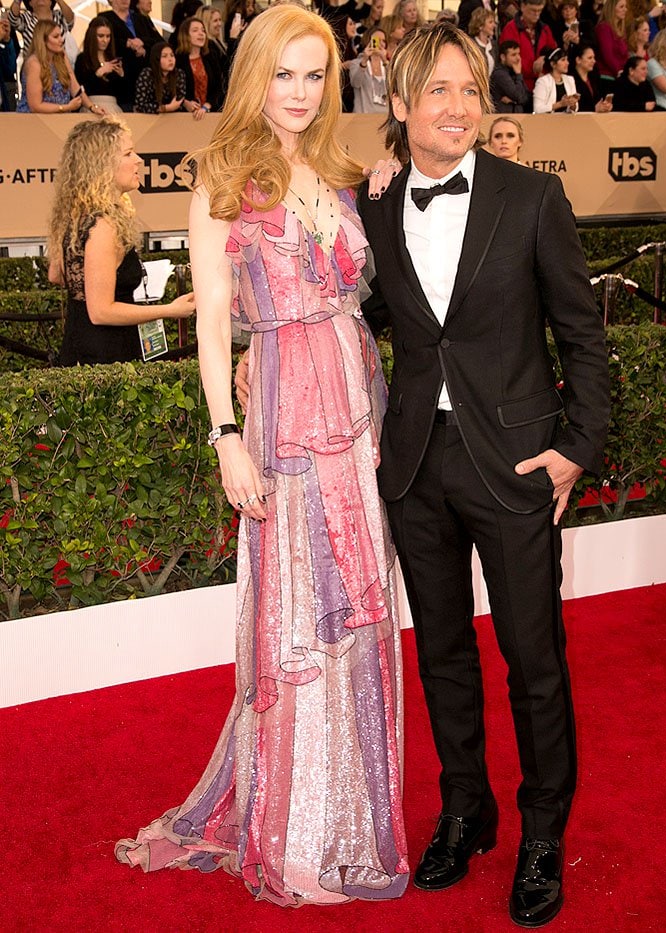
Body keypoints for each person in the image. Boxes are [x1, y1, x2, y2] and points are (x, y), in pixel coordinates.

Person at [115, 5, 408, 906]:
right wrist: (223, 434)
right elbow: (210, 318)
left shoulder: (338, 167)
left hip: (360, 411)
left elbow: (372, 285)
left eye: (315, 75)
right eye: (284, 73)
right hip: (283, 415)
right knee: (296, 617)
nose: (300, 92)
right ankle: (296, 827)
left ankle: (356, 818)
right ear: (253, 75)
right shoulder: (223, 175)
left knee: (361, 615)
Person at [357, 21, 609, 927]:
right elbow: (359, 307)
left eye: (472, 91)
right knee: (441, 653)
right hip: (415, 463)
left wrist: (579, 444)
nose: (461, 108)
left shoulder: (531, 198)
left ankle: (544, 828)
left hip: (514, 463)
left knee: (533, 659)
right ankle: (466, 807)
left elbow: (583, 332)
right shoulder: (375, 203)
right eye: (441, 93)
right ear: (402, 106)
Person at [47, 117, 195, 366]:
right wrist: (170, 310)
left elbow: (56, 274)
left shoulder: (78, 217)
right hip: (105, 359)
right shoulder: (102, 225)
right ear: (102, 165)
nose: (138, 159)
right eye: (128, 153)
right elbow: (101, 311)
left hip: (83, 350)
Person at [16, 20, 104, 114]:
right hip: (35, 120)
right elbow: (35, 106)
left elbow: (74, 86)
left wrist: (92, 107)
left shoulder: (61, 56)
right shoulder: (34, 63)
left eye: (60, 35)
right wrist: (65, 107)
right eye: (55, 37)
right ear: (43, 40)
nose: (61, 40)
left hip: (59, 117)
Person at [134, 40, 204, 117]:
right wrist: (166, 108)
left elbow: (179, 100)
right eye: (164, 56)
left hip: (172, 118)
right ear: (156, 59)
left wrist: (187, 104)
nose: (170, 59)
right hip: (148, 119)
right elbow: (140, 105)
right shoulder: (147, 74)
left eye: (172, 55)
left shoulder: (179, 74)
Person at [501, 0, 557, 91]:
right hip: (519, 87)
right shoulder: (510, 29)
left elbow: (554, 52)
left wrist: (544, 59)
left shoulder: (545, 29)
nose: (537, 14)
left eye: (539, 11)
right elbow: (508, 59)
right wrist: (534, 69)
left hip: (544, 86)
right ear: (522, 7)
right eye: (533, 10)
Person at [74, 15, 126, 114]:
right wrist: (98, 73)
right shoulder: (83, 59)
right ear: (92, 36)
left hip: (113, 108)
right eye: (100, 36)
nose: (105, 40)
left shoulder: (114, 59)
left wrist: (121, 75)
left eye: (108, 36)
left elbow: (122, 94)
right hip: (91, 106)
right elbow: (78, 89)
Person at [175, 15, 224, 112]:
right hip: (185, 115)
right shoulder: (178, 60)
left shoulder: (210, 57)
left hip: (210, 112)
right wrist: (184, 102)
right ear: (186, 35)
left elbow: (219, 86)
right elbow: (172, 88)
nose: (201, 34)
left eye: (203, 30)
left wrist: (207, 105)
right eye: (195, 30)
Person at [348, 25, 389, 112]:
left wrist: (385, 60)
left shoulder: (387, 65)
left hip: (385, 116)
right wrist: (364, 60)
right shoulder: (356, 63)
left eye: (384, 41)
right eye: (377, 40)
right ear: (368, 41)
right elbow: (355, 83)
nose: (381, 44)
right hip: (364, 116)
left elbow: (396, 83)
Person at [7, 0, 74, 51]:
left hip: (60, 64)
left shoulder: (59, 15)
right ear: (30, 3)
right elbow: (13, 19)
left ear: (51, 2)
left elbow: (70, 20)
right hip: (34, 66)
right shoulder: (26, 18)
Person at [490, 39, 532, 111]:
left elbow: (527, 97)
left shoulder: (514, 72)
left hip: (517, 118)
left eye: (519, 54)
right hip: (503, 118)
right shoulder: (500, 74)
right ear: (503, 57)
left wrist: (514, 101)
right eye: (513, 55)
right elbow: (519, 96)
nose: (518, 58)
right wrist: (519, 75)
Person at [533, 44, 580, 109]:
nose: (567, 63)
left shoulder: (570, 79)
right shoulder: (542, 82)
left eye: (567, 60)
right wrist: (560, 104)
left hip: (566, 118)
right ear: (553, 64)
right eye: (563, 60)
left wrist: (572, 104)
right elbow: (537, 108)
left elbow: (575, 108)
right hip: (548, 119)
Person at [570, 41, 614, 109]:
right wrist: (594, 108)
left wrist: (605, 106)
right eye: (590, 58)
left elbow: (598, 100)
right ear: (578, 60)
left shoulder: (594, 77)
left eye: (594, 58)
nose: (594, 61)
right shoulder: (570, 79)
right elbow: (573, 107)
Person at [595, 0, 630, 82]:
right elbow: (608, 54)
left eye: (625, 6)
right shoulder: (604, 28)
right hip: (607, 76)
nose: (625, 9)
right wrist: (619, 71)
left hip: (621, 75)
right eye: (621, 7)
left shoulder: (620, 30)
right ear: (611, 9)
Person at [469, 7, 497, 75]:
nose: (494, 25)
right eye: (490, 22)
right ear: (480, 26)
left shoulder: (494, 45)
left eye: (494, 22)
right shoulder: (471, 45)